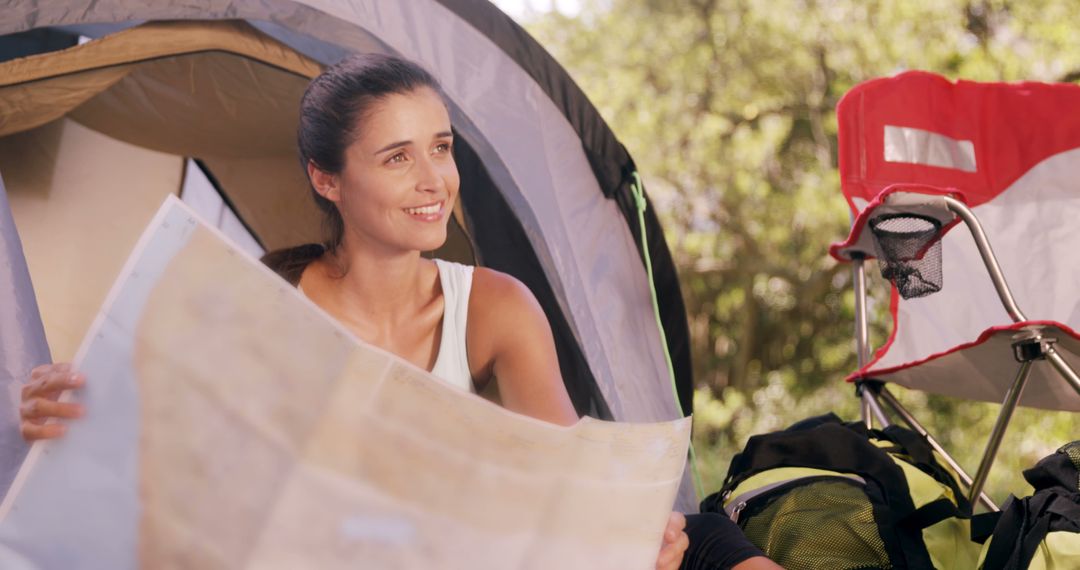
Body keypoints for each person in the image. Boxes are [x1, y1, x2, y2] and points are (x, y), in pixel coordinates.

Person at [19, 54, 779, 570]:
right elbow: (173, 468)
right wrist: (76, 412)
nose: (433, 181)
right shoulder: (267, 302)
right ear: (327, 179)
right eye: (396, 157)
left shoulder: (494, 307)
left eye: (440, 148)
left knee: (709, 540)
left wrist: (629, 533)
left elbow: (566, 479)